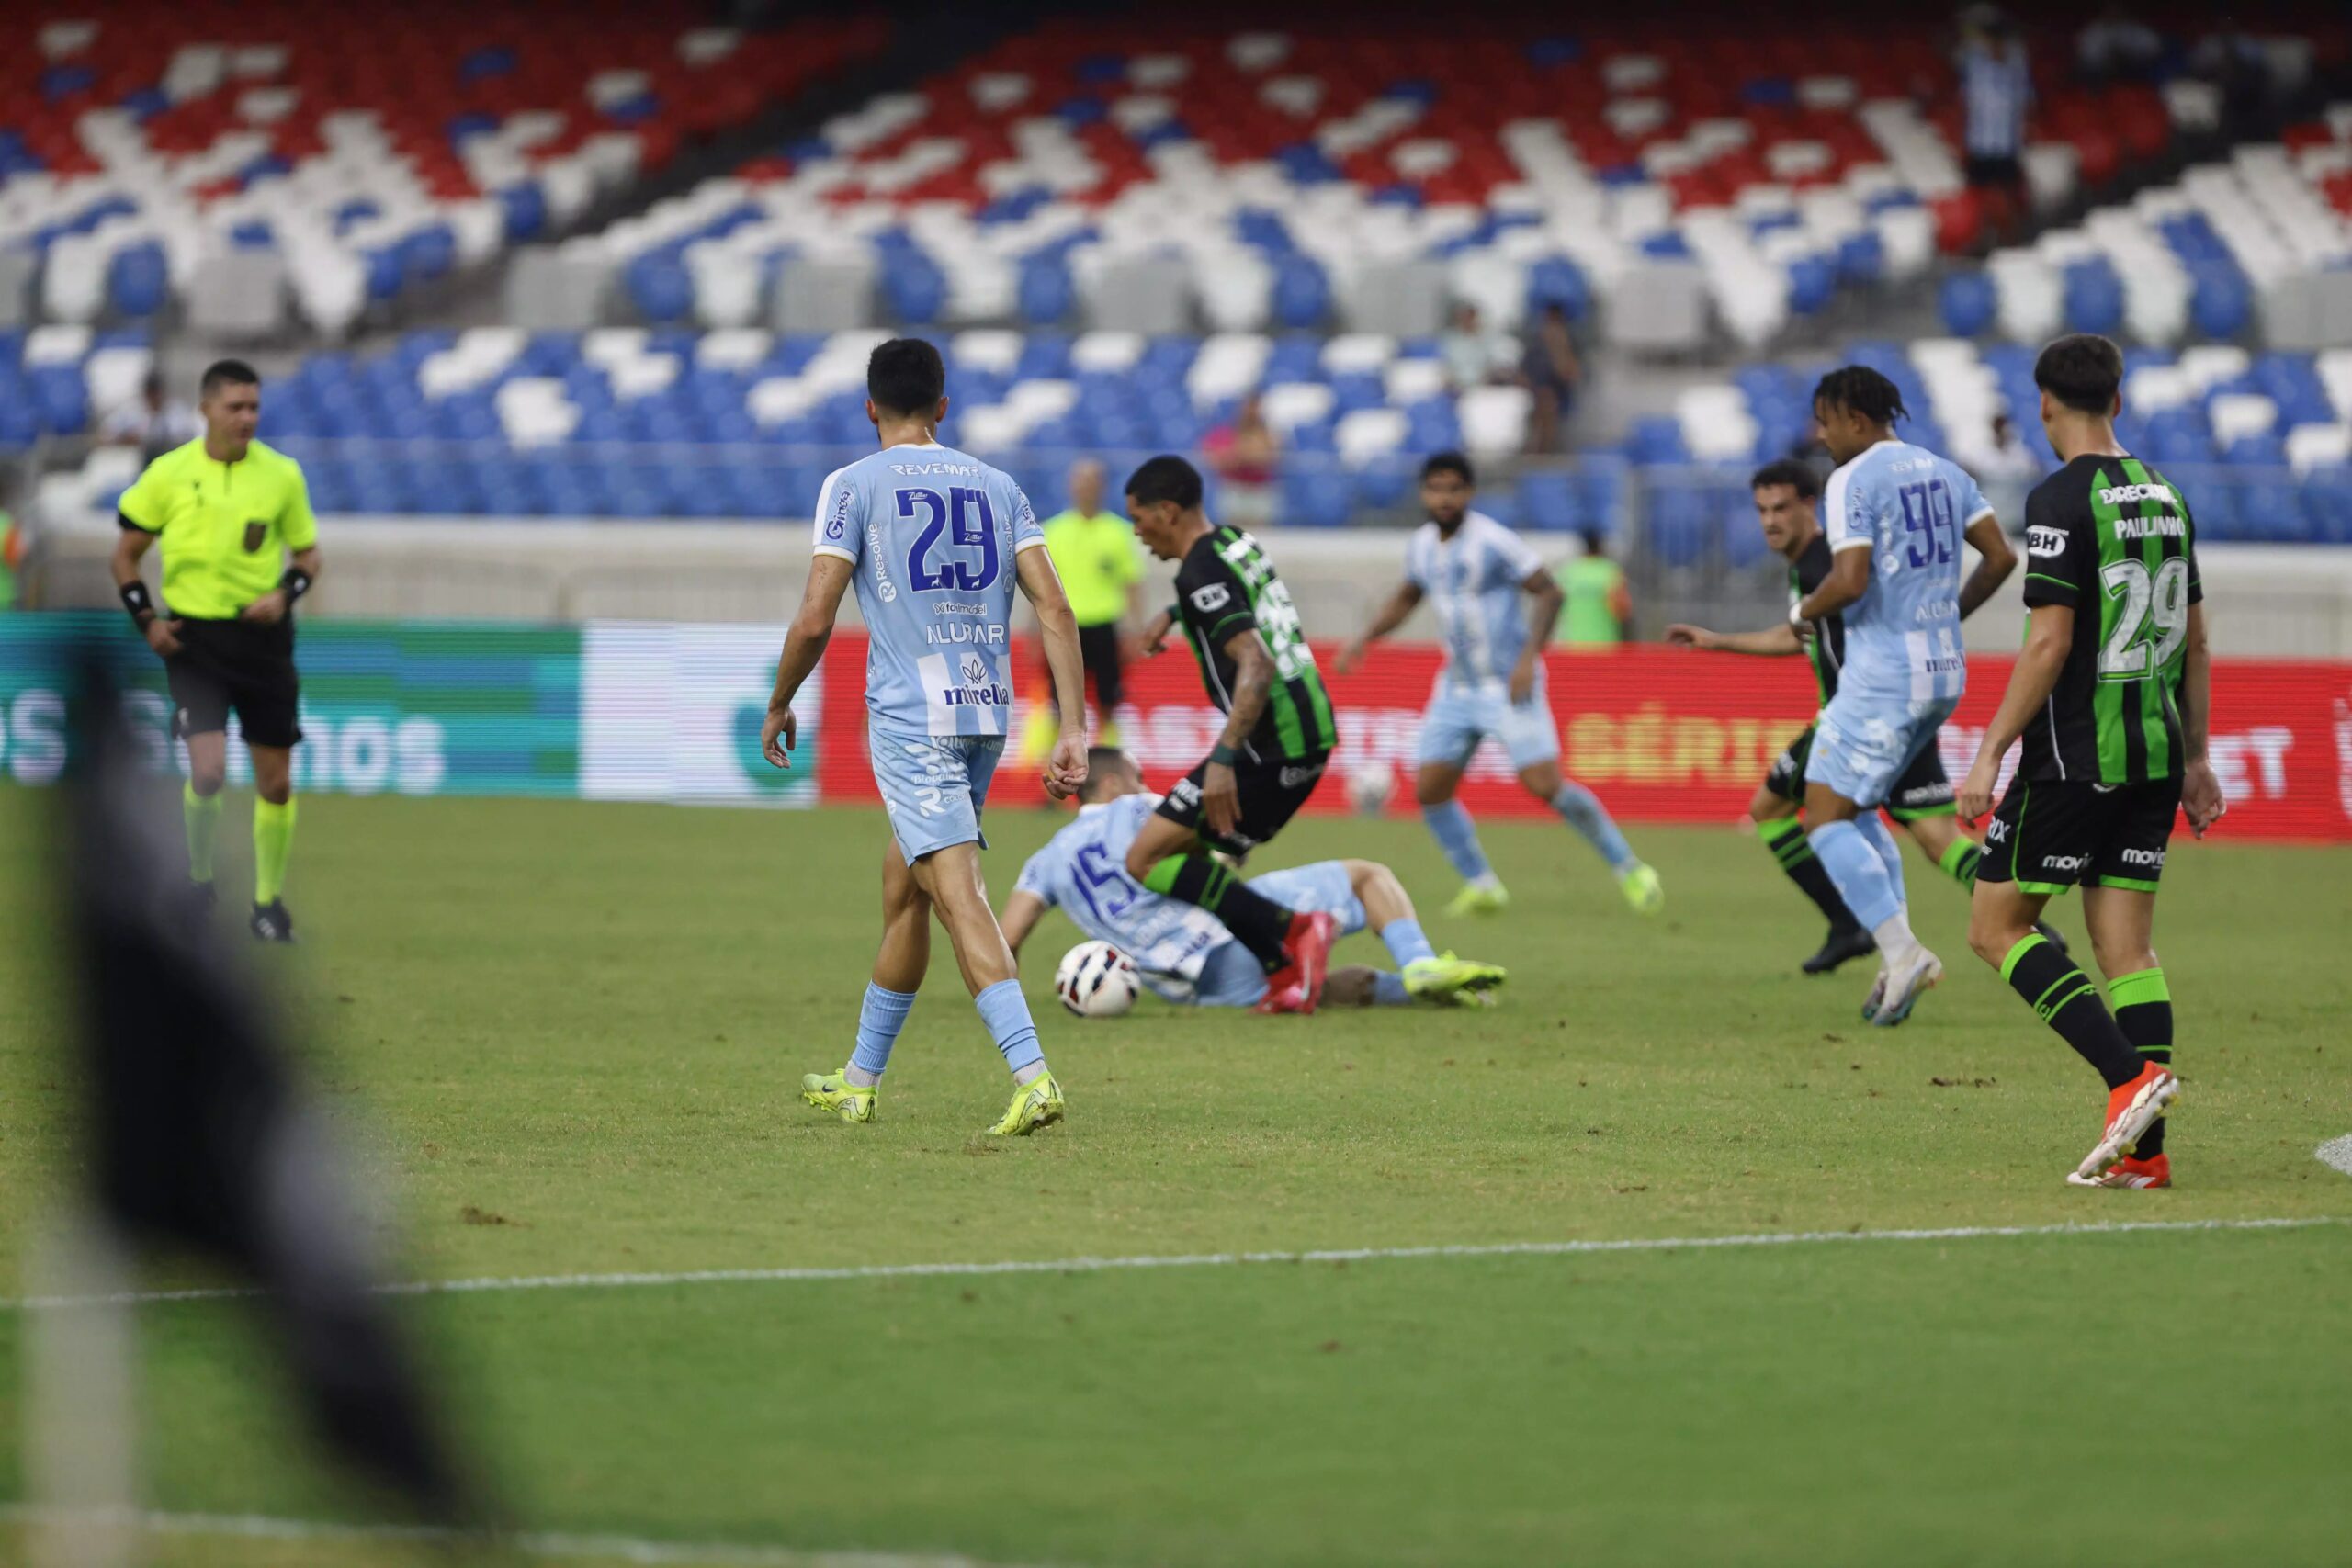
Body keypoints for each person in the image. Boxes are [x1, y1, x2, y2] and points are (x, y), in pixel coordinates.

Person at [760, 337, 1091, 1137]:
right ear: (944, 407)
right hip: (984, 710)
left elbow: (815, 616)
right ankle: (860, 1080)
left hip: (912, 721)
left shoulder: (853, 485)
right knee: (903, 889)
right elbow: (1055, 607)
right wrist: (1073, 725)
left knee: (956, 892)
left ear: (869, 407)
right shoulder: (997, 484)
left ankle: (1033, 1074)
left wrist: (778, 702)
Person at [1958, 333, 2223, 1189]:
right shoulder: (2169, 495)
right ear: (2120, 398)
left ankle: (2131, 1079)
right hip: (2150, 755)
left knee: (1994, 925)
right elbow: (2196, 638)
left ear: (2044, 404)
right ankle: (2143, 1158)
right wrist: (2196, 759)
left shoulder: (2059, 498)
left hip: (2073, 760)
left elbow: (2048, 643)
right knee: (2128, 952)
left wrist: (1990, 750)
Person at [1669, 459, 2037, 975]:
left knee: (1774, 810)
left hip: (1857, 718)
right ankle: (2022, 924)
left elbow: (1841, 622)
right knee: (1935, 836)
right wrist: (1718, 641)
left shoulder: (1827, 567)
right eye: (1761, 511)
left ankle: (1860, 929)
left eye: (1781, 508)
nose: (1770, 521)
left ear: (1808, 506)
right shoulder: (1814, 569)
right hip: (1901, 710)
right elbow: (1800, 635)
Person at [1337, 452, 1662, 919]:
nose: (1444, 497)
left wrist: (1529, 658)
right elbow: (1410, 593)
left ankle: (1629, 867)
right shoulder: (1423, 545)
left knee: (1546, 786)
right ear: (1424, 493)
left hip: (1508, 683)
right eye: (1435, 488)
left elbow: (1550, 590)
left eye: (1454, 488)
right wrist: (1365, 638)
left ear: (1468, 493)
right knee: (1430, 790)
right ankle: (1482, 884)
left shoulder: (1493, 541)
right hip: (1456, 686)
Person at [1789, 365, 2016, 1026]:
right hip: (1943, 670)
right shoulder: (1945, 469)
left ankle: (1902, 950)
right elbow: (2001, 557)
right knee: (1859, 809)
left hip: (1884, 675)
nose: (1822, 435)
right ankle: (1897, 959)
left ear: (1856, 419)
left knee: (1822, 820)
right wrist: (1947, 615)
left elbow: (1850, 578)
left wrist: (1809, 607)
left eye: (1826, 421)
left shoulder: (1851, 479)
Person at [1002, 749, 1506, 1010]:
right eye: (1136, 776)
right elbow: (1216, 842)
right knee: (1365, 876)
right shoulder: (1140, 808)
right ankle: (1418, 964)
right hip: (1225, 934)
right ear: (1113, 784)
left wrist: (1007, 1004)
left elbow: (1008, 937)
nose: (1143, 786)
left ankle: (1416, 993)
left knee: (1315, 986)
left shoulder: (1045, 860)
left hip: (1188, 988)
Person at [109, 360, 322, 942]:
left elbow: (307, 555)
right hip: (195, 642)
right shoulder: (168, 474)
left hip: (264, 646)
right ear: (206, 409)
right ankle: (199, 882)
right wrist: (147, 621)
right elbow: (124, 556)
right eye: (236, 407)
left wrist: (286, 593)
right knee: (208, 771)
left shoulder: (281, 476)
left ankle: (267, 907)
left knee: (275, 784)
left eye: (254, 407)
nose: (247, 417)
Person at [1124, 454, 1338, 1013]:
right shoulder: (1232, 541)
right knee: (1188, 857)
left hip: (1273, 744)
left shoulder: (1198, 573)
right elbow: (1231, 591)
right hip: (1308, 729)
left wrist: (1222, 759)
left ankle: (1298, 932)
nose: (1137, 532)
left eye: (1139, 518)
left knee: (1146, 859)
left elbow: (1258, 665)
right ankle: (1284, 969)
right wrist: (1176, 612)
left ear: (1167, 512)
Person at [1016, 458, 1144, 772]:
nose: (1085, 488)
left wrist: (1133, 630)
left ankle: (1111, 773)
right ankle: (1052, 777)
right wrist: (1034, 632)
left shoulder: (1118, 532)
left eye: (1091, 482)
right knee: (1057, 705)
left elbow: (1131, 585)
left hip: (1104, 625)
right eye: (1080, 481)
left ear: (1101, 487)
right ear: (1071, 487)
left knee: (1108, 705)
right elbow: (1038, 589)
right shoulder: (1054, 531)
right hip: (1063, 628)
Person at [1959, 14, 2032, 245]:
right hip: (1980, 143)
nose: (1995, 46)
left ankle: (2011, 240)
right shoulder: (1975, 65)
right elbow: (1962, 40)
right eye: (1991, 41)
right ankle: (1981, 238)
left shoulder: (2016, 68)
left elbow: (2027, 100)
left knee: (2010, 196)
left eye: (1999, 41)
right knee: (1979, 196)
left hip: (2007, 144)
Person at [1201, 391, 1279, 528]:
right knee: (1232, 531)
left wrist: (1245, 455)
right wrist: (1243, 455)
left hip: (1259, 489)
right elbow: (1216, 458)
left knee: (1261, 532)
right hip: (1234, 487)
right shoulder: (1227, 432)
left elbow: (1268, 458)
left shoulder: (1268, 433)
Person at [99, 369, 202, 463]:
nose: (153, 397)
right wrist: (125, 440)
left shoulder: (176, 412)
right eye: (150, 392)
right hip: (134, 463)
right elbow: (104, 437)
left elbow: (187, 439)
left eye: (156, 392)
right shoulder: (130, 410)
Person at [1521, 302, 1583, 454]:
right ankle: (1538, 448)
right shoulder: (1537, 339)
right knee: (1543, 407)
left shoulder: (1568, 339)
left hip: (1558, 388)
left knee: (1549, 408)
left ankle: (1545, 448)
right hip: (1538, 386)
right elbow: (1527, 365)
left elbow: (1571, 368)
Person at [1556, 527, 1630, 647]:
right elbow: (1623, 611)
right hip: (1605, 647)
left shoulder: (1568, 572)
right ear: (1601, 547)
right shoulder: (1611, 571)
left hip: (1572, 648)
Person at [1440, 300, 1516, 392]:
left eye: (1470, 317)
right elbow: (1445, 366)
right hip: (1456, 388)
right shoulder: (1450, 340)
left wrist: (1486, 379)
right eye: (1464, 317)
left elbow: (1495, 363)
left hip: (1483, 386)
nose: (1467, 320)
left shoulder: (1488, 338)